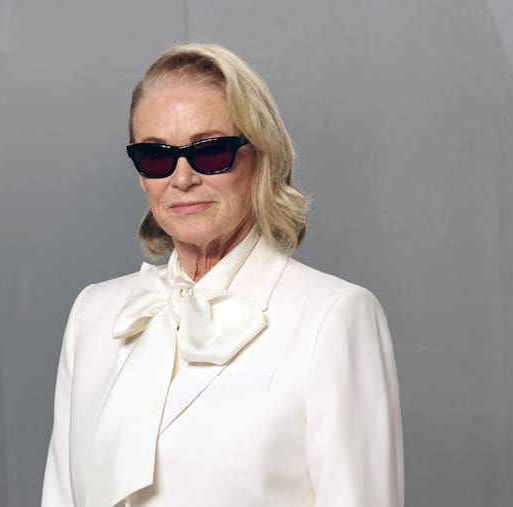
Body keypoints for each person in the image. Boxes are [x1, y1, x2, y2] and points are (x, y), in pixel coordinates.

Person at [42, 43, 404, 507]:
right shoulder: (94, 317)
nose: (182, 178)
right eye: (156, 156)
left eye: (210, 151)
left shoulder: (333, 318)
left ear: (261, 156)